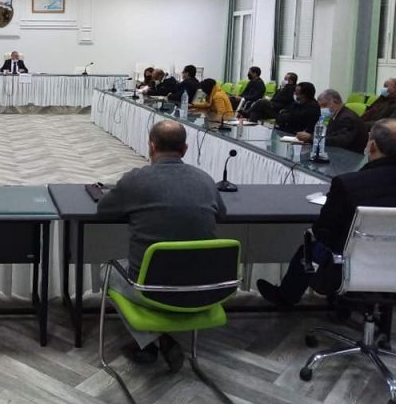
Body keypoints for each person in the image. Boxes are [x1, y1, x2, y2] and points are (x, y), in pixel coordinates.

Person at [97, 120, 226, 371]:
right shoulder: (206, 180)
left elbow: (104, 210)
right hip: (204, 288)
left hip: (151, 289)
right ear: (185, 149)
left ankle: (150, 341)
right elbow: (222, 214)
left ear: (151, 146)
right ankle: (164, 338)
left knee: (106, 271)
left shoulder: (136, 180)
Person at [257, 119, 396, 307]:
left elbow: (324, 230)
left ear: (372, 146)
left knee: (310, 247)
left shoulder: (348, 184)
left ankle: (286, 297)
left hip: (346, 267)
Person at [296, 89, 368, 152]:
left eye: (324, 105)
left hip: (350, 156)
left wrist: (311, 138)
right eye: (320, 106)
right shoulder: (334, 115)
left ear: (335, 101)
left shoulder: (347, 118)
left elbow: (339, 141)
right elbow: (327, 135)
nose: (322, 109)